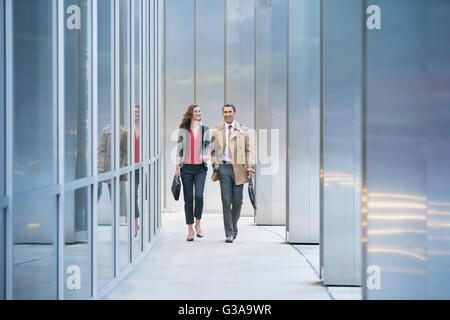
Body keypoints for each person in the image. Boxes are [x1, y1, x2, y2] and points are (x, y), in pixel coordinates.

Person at [211, 104, 255, 243]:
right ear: (222, 114)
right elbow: (213, 150)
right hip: (224, 168)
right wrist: (216, 165)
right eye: (225, 112)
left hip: (239, 169)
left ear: (234, 113)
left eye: (230, 112)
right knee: (226, 200)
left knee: (238, 202)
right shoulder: (217, 130)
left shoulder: (243, 130)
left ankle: (234, 223)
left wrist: (250, 168)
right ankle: (229, 232)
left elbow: (250, 150)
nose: (227, 114)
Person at [176, 104, 211, 242]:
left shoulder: (205, 129)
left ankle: (198, 225)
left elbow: (208, 147)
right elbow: (179, 149)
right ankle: (190, 228)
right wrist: (177, 168)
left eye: (199, 111)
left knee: (199, 196)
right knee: (189, 198)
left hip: (200, 168)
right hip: (186, 169)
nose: (198, 113)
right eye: (196, 111)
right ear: (190, 113)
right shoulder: (183, 129)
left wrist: (206, 157)